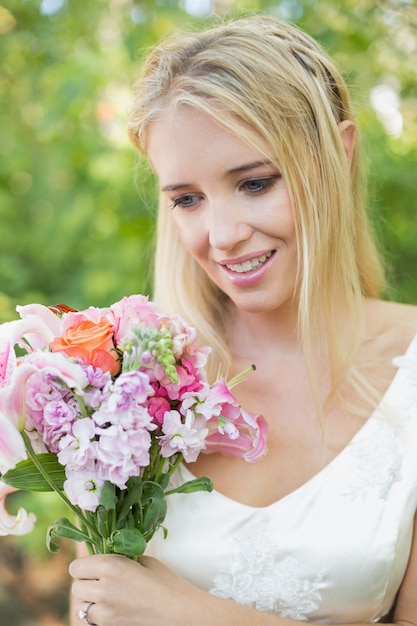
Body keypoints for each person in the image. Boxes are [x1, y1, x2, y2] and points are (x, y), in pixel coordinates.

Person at [69, 14, 417, 626]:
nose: (223, 237)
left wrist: (193, 615)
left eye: (254, 183)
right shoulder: (122, 381)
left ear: (339, 152)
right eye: (186, 199)